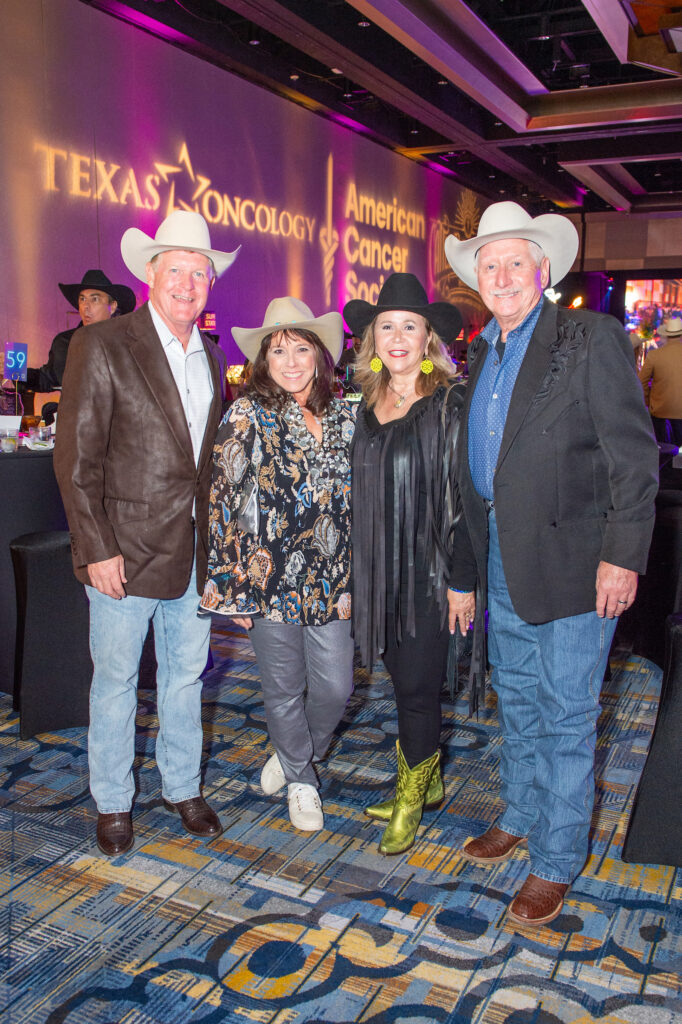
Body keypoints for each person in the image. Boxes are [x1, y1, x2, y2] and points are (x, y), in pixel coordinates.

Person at [444, 202, 658, 926]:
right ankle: (521, 810)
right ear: (478, 276)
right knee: (522, 699)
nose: (501, 275)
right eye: (489, 264)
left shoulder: (590, 336)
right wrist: (467, 567)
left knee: (567, 715)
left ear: (543, 270)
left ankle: (557, 859)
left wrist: (622, 557)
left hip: (576, 562)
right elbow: (481, 469)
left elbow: (634, 458)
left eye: (515, 262)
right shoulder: (484, 350)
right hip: (504, 555)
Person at [54, 211, 240, 857]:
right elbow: (76, 460)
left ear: (209, 284)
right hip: (123, 552)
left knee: (187, 675)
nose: (188, 283)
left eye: (200, 272)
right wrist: (95, 547)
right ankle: (112, 801)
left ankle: (182, 787)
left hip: (193, 550)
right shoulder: (103, 343)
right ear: (152, 274)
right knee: (116, 680)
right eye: (177, 269)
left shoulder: (214, 358)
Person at [200, 297, 356, 832]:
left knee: (337, 686)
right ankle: (303, 781)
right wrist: (235, 586)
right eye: (278, 350)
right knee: (284, 688)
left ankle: (294, 753)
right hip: (269, 580)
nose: (290, 361)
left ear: (320, 355)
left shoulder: (344, 415)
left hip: (333, 578)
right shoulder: (248, 414)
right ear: (264, 360)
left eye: (301, 348)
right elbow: (225, 504)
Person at [343, 273, 476, 856]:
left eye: (411, 327)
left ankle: (409, 798)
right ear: (372, 336)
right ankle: (429, 779)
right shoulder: (365, 403)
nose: (398, 337)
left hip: (429, 574)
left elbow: (467, 500)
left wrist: (461, 581)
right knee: (401, 684)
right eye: (387, 326)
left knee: (419, 691)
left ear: (429, 340)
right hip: (377, 573)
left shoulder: (450, 403)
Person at [24, 269, 136, 393]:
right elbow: (46, 379)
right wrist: (12, 369)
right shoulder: (64, 342)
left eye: (95, 299)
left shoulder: (128, 343)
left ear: (113, 306)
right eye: (82, 299)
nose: (86, 306)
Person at [638, 316, 682, 444]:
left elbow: (641, 382)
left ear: (666, 335)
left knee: (661, 450)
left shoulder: (654, 355)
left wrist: (647, 402)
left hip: (659, 411)